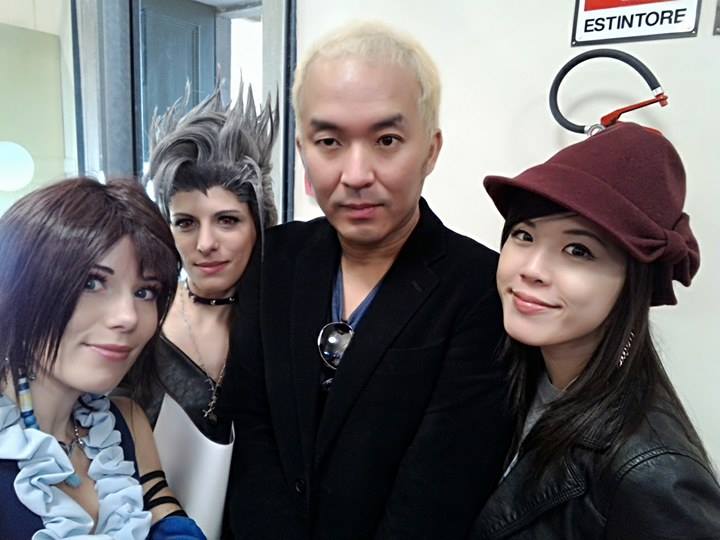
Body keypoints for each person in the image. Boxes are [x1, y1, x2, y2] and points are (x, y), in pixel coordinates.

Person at [218, 22, 512, 540]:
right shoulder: (274, 258)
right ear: (303, 148)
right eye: (329, 141)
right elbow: (251, 431)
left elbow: (438, 494)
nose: (356, 174)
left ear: (431, 150)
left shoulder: (479, 290)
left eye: (387, 140)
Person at [470, 122, 720, 539]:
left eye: (578, 250)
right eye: (524, 235)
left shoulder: (654, 472)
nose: (532, 269)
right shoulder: (510, 374)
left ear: (632, 283)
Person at [0, 177, 205, 539]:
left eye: (145, 291)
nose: (128, 317)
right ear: (22, 284)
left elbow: (165, 515)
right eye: (91, 283)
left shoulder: (126, 421)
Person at [136, 82, 278, 438]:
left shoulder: (287, 320)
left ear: (259, 225)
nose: (205, 244)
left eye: (227, 220)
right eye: (186, 223)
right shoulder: (142, 320)